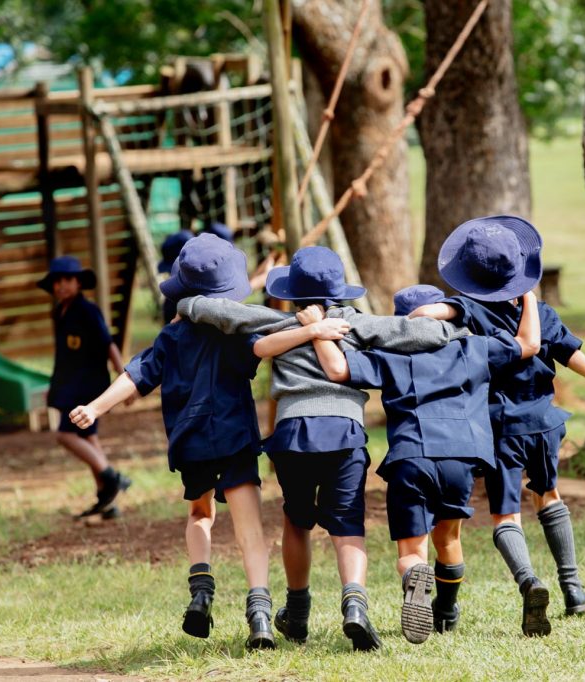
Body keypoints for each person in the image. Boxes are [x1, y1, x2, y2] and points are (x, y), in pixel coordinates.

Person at [176, 246, 468, 651]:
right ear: (339, 292)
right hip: (345, 432)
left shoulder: (280, 322)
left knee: (297, 521)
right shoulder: (356, 325)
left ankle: (297, 613)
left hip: (292, 434)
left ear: (292, 293)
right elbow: (416, 333)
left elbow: (228, 314)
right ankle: (355, 606)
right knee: (348, 524)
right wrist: (458, 320)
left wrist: (188, 302)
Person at [69, 235, 307, 648]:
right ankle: (260, 618)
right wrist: (312, 328)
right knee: (249, 529)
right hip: (234, 436)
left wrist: (95, 407)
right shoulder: (235, 331)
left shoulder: (171, 337)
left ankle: (201, 591)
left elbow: (134, 376)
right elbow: (266, 345)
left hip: (191, 439)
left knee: (201, 514)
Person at [412, 215, 585, 636]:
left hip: (498, 430)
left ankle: (529, 580)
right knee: (549, 496)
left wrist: (434, 311)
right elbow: (567, 351)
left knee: (505, 516)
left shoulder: (469, 311)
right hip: (544, 423)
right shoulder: (540, 310)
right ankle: (574, 588)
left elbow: (426, 312)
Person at [307, 284, 541, 644]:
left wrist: (318, 331)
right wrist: (525, 293)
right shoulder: (471, 348)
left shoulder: (390, 354)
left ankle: (416, 576)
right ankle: (446, 611)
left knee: (412, 553)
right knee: (448, 538)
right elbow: (529, 344)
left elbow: (338, 370)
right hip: (460, 457)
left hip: (410, 457)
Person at [38, 256, 131, 519]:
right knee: (88, 437)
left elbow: (108, 344)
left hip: (87, 385)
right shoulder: (59, 312)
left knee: (64, 435)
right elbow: (63, 355)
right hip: (69, 384)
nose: (61, 286)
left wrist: (124, 376)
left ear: (78, 282)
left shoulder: (88, 311)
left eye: (67, 280)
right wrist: (54, 385)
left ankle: (111, 477)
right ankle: (108, 500)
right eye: (56, 282)